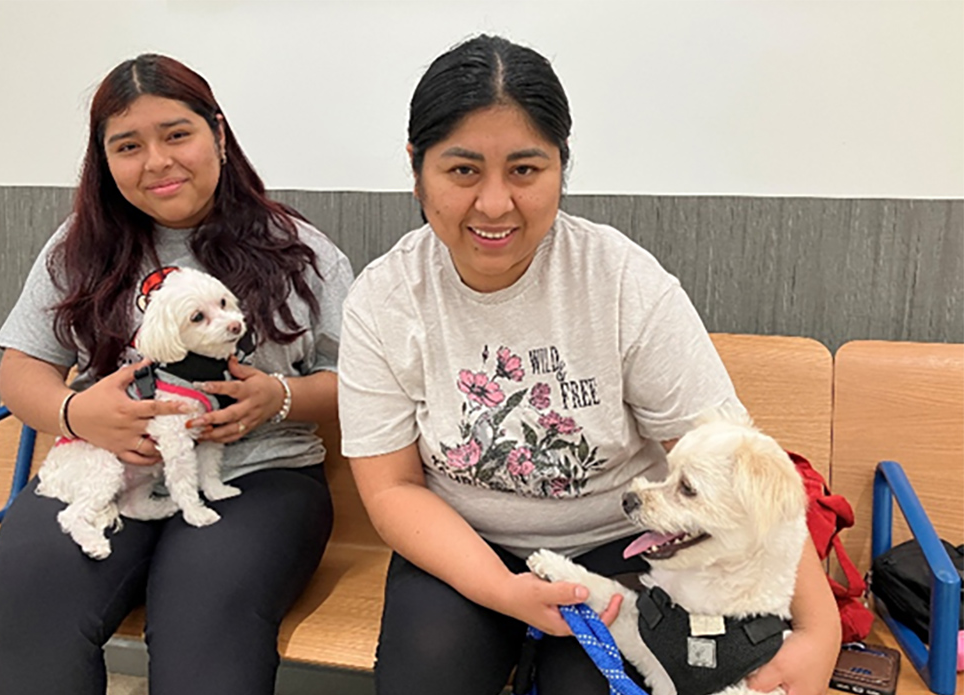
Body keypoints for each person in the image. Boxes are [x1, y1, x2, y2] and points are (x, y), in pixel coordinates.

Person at [337, 35, 840, 695]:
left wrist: (819, 629)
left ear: (561, 165)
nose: (495, 204)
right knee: (428, 670)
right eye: (463, 171)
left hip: (627, 541)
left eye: (525, 169)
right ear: (417, 168)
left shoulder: (623, 282)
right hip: (463, 542)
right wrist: (503, 589)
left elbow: (733, 461)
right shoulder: (384, 298)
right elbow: (392, 489)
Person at [0, 54, 353, 695]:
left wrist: (280, 397)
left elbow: (359, 381)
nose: (156, 161)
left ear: (218, 134)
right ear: (104, 159)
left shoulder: (299, 250)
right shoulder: (79, 247)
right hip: (107, 465)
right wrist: (76, 413)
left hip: (256, 475)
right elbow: (22, 368)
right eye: (128, 146)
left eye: (177, 134)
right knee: (28, 600)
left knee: (204, 623)